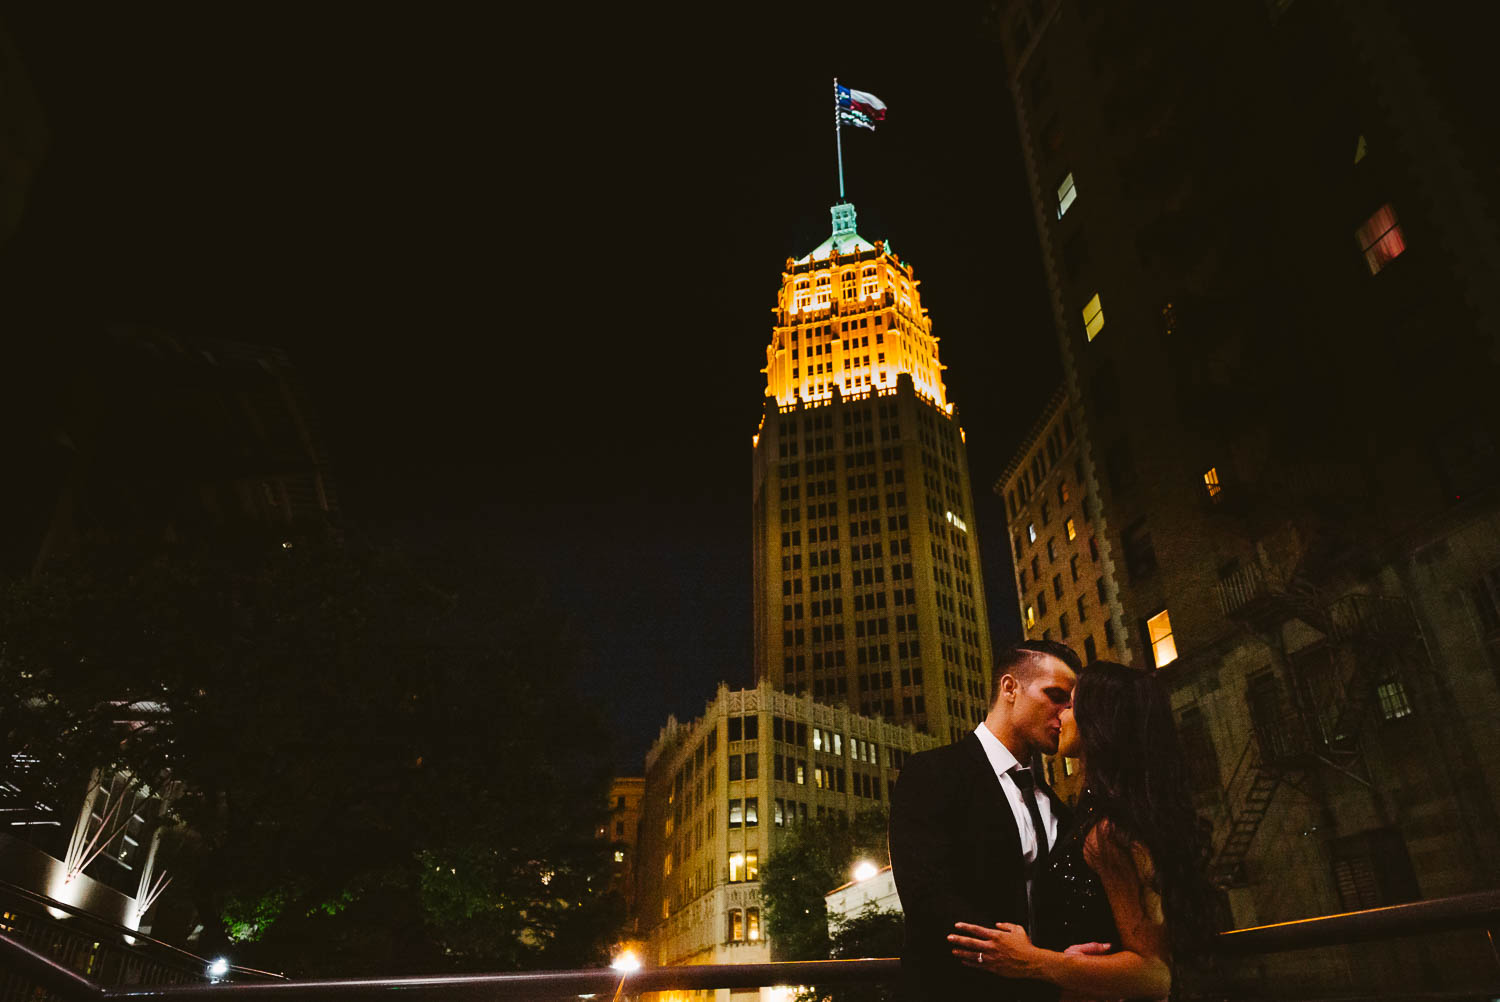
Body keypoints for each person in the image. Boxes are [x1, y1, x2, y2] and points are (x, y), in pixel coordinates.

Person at [947, 661, 1219, 1001]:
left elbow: (1155, 974)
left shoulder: (1109, 830)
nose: (1060, 714)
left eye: (1071, 704)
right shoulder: (1098, 815)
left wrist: (1032, 960)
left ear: (1100, 721)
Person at [889, 640, 1089, 1001]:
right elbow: (927, 898)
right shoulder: (932, 773)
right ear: (1009, 688)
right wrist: (1025, 963)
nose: (1065, 713)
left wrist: (1061, 964)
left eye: (1071, 704)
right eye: (1056, 695)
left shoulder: (1054, 804)